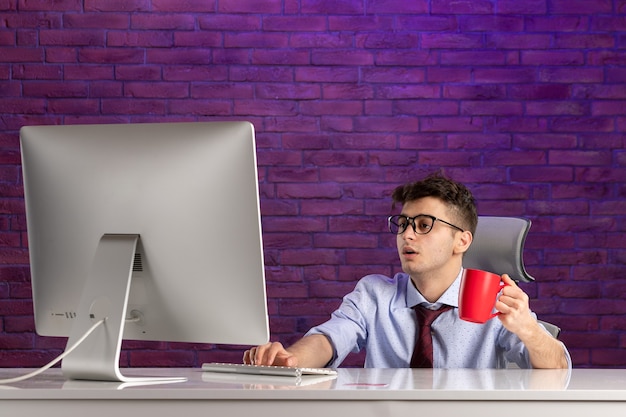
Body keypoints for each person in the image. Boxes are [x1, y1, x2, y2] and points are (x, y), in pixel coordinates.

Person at [244, 173, 571, 369]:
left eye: (424, 225)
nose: (407, 235)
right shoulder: (374, 293)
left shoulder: (494, 301)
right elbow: (330, 338)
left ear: (462, 240)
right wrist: (290, 360)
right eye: (403, 224)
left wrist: (528, 329)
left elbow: (558, 368)